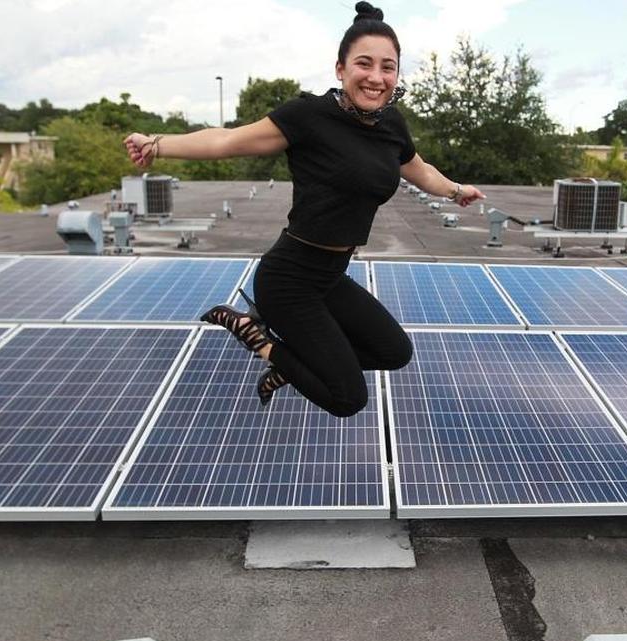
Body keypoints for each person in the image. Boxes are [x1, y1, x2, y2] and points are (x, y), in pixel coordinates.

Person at [123, 1, 485, 417]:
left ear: (397, 74)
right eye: (364, 64)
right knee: (348, 398)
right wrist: (157, 143)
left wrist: (457, 191)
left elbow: (419, 171)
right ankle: (256, 336)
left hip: (329, 279)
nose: (376, 77)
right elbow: (226, 140)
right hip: (288, 280)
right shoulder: (308, 116)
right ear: (340, 69)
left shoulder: (391, 126)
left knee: (394, 351)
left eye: (388, 67)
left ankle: (293, 367)